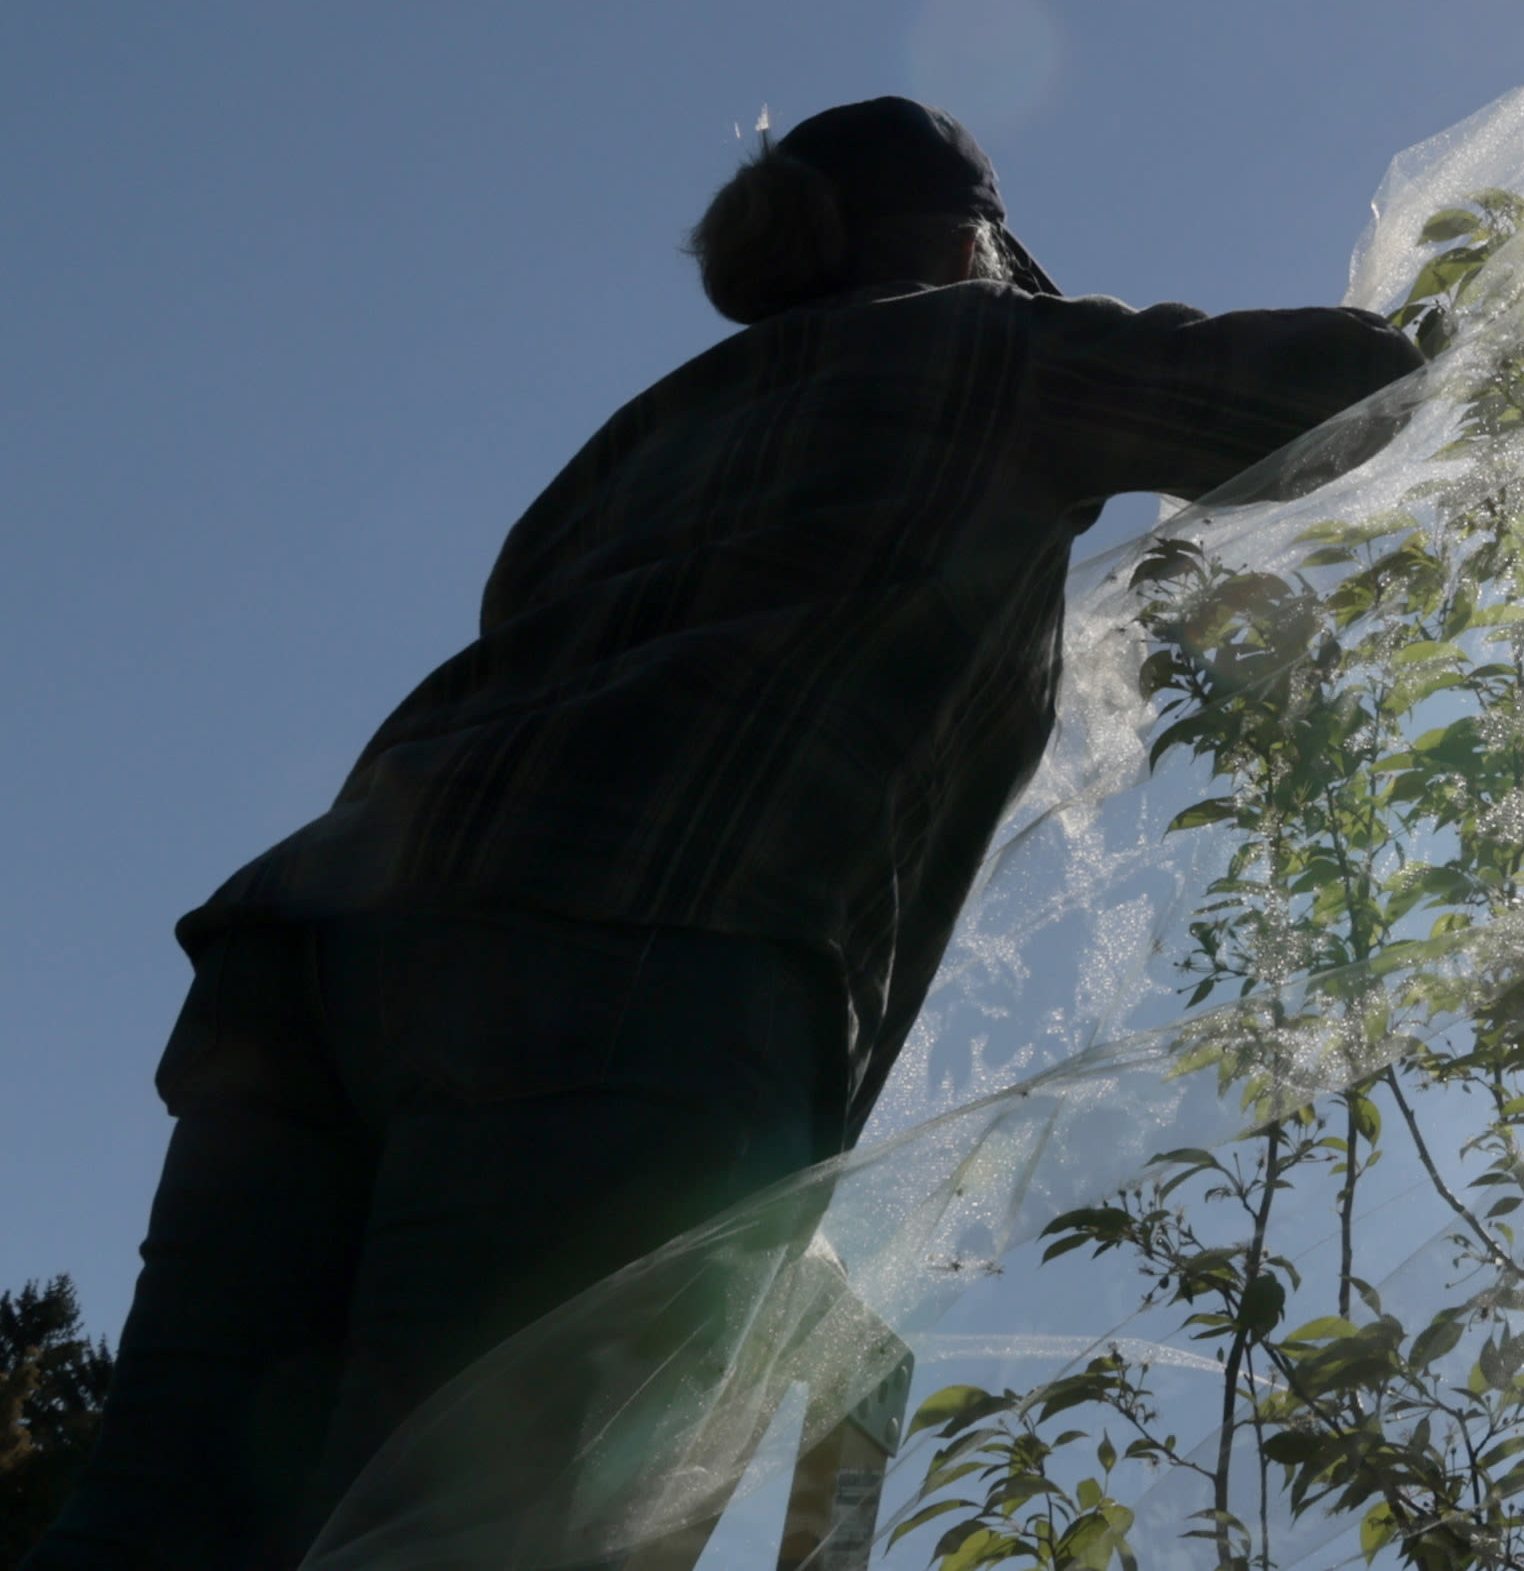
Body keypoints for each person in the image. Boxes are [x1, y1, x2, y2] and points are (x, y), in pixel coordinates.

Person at [32, 99, 1420, 1571]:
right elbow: (1339, 392)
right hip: (632, 967)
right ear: (971, 243)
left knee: (155, 1527)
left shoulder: (634, 442)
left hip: (307, 960)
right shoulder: (992, 353)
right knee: (487, 1535)